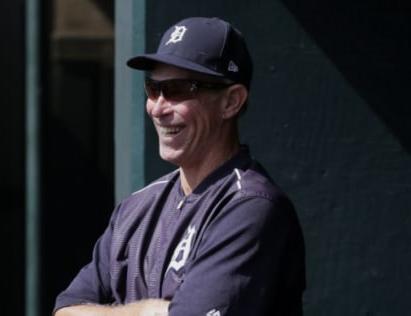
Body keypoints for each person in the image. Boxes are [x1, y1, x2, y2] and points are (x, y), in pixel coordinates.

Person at [53, 16, 306, 316]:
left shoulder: (250, 207)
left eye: (177, 89)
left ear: (231, 102)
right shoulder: (136, 207)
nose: (158, 108)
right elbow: (65, 310)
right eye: (152, 88)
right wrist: (149, 311)